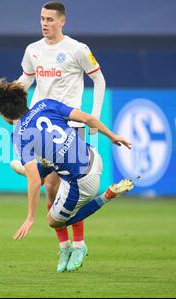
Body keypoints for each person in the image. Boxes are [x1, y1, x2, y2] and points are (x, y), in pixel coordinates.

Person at [0, 79, 134, 264]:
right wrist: (112, 135)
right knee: (53, 161)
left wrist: (30, 217)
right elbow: (88, 119)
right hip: (93, 157)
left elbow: (33, 182)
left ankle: (107, 196)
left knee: (53, 221)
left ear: (5, 115)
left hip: (82, 182)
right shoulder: (44, 104)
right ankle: (40, 168)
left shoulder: (19, 136)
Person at [13, 1, 107, 272]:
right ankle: (64, 248)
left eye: (50, 19)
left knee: (71, 188)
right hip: (43, 126)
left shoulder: (78, 49)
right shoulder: (33, 50)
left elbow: (98, 80)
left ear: (62, 21)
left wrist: (95, 116)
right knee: (52, 190)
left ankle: (79, 245)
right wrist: (6, 95)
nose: (45, 23)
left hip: (71, 124)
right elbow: (26, 80)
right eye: (42, 18)